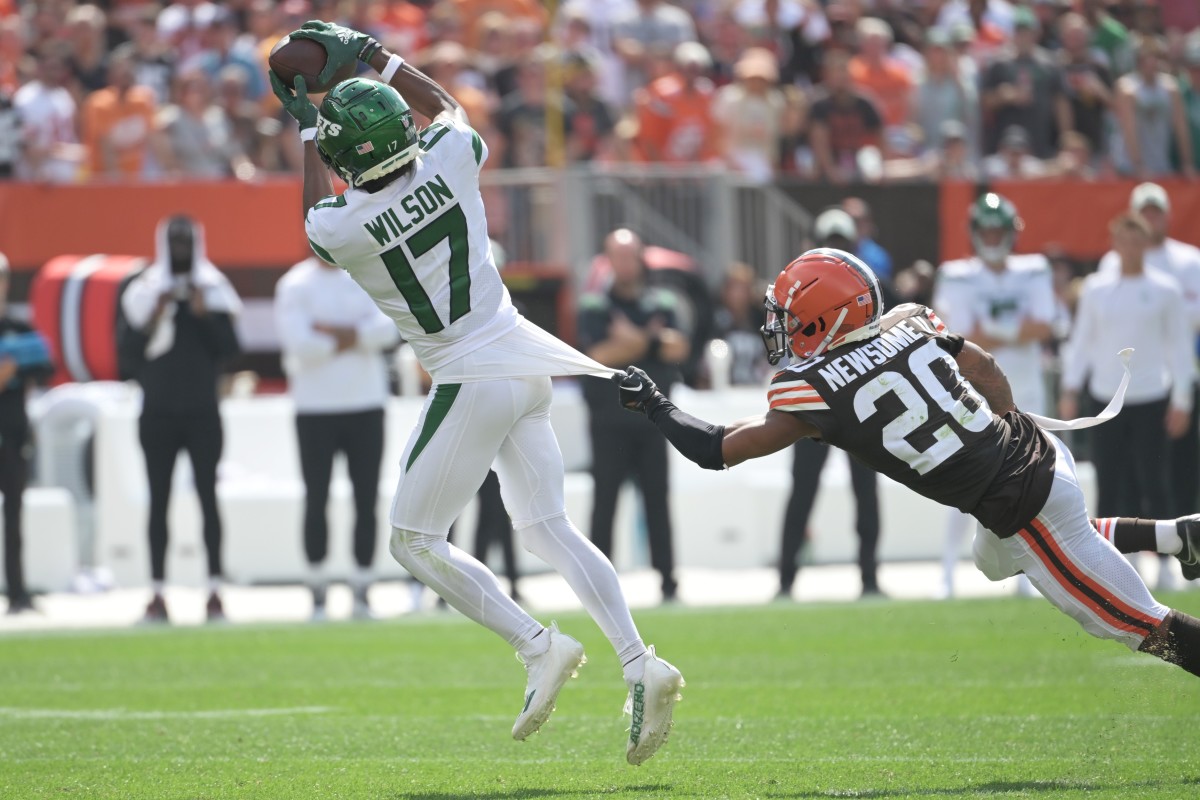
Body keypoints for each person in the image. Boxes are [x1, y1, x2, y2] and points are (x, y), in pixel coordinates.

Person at [271, 19, 682, 765]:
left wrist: (307, 133)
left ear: (341, 156)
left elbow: (312, 220)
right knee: (549, 525)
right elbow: (446, 107)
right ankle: (639, 662)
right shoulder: (451, 157)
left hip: (468, 376)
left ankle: (536, 646)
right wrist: (373, 55)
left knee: (413, 540)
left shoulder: (348, 225)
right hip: (524, 363)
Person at [618, 246, 1200, 682]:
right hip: (1038, 453)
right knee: (1000, 558)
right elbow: (990, 371)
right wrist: (1004, 435)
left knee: (1139, 625)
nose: (783, 330)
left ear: (823, 320)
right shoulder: (911, 322)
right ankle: (1178, 536)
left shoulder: (811, 391)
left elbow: (716, 448)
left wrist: (656, 404)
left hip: (1019, 505)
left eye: (792, 318)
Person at [119, 215, 242, 624]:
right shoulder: (143, 291)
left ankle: (214, 590)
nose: (181, 252)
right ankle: (156, 592)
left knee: (209, 498)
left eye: (187, 243)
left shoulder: (213, 288)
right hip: (157, 412)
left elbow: (230, 348)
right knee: (159, 501)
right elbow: (127, 355)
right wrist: (156, 312)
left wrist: (205, 313)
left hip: (203, 412)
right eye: (175, 244)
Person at [933, 193, 1056, 598]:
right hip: (974, 391)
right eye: (985, 229)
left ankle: (1027, 578)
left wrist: (993, 332)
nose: (991, 236)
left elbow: (1045, 326)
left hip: (1026, 391)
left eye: (997, 229)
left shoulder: (1034, 268)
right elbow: (959, 336)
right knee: (964, 480)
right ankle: (948, 571)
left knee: (1032, 481)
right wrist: (1014, 330)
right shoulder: (956, 274)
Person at [275, 253, 401, 621]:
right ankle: (317, 587)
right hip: (314, 407)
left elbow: (388, 329)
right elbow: (301, 346)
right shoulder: (295, 284)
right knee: (316, 497)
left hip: (366, 403)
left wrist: (334, 332)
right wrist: (356, 335)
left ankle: (363, 586)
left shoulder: (369, 273)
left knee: (367, 498)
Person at [577, 228, 689, 603]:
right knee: (605, 503)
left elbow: (678, 348)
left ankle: (668, 583)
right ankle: (599, 588)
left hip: (654, 420)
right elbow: (595, 356)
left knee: (658, 501)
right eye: (616, 256)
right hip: (608, 423)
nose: (624, 263)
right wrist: (651, 340)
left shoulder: (663, 300)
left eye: (629, 255)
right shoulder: (594, 304)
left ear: (641, 257)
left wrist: (632, 340)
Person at [777, 209, 882, 600]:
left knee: (865, 488)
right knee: (803, 489)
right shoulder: (797, 287)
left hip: (855, 396)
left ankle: (869, 577)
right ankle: (786, 579)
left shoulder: (867, 288)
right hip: (815, 395)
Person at [0, 253, 53, 614]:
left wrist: (17, 367)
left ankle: (17, 591)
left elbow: (47, 366)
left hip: (13, 433)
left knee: (15, 515)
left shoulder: (18, 329)